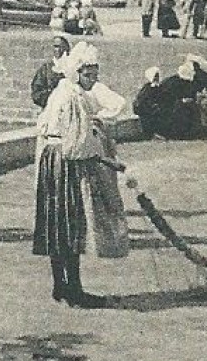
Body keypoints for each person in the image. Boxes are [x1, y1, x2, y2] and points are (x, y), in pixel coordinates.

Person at [32, 41, 129, 308]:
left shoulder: (62, 92)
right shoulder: (73, 98)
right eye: (89, 75)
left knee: (56, 224)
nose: (93, 80)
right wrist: (107, 160)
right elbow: (79, 144)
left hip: (52, 158)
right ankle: (73, 289)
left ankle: (60, 286)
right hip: (66, 162)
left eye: (96, 74)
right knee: (71, 224)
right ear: (77, 73)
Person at [132, 67, 174, 138]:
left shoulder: (161, 88)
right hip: (149, 113)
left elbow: (167, 99)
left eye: (157, 76)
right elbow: (141, 103)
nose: (156, 78)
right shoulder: (147, 89)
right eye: (155, 76)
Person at [31, 36, 69, 109]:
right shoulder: (45, 69)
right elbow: (36, 92)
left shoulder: (71, 68)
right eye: (56, 46)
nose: (59, 50)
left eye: (62, 47)